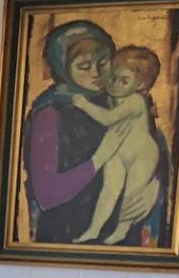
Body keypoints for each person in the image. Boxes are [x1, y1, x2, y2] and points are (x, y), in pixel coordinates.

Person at [22, 20, 140, 245]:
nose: (96, 73)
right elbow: (47, 195)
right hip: (66, 236)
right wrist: (98, 159)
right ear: (63, 68)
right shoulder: (49, 114)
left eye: (103, 62)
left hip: (120, 233)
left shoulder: (121, 102)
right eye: (84, 66)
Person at [66, 46, 166, 245]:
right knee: (109, 190)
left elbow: (108, 119)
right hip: (118, 152)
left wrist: (85, 105)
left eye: (124, 81)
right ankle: (94, 229)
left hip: (142, 155)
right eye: (114, 77)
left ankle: (122, 229)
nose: (116, 84)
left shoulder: (136, 101)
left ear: (140, 85)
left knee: (131, 195)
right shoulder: (114, 98)